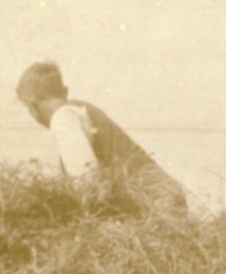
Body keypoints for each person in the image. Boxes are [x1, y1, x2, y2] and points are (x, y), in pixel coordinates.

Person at [15, 62, 189, 216]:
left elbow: (87, 182)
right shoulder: (80, 110)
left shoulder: (63, 118)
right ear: (64, 91)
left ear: (32, 105)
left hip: (155, 205)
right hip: (161, 198)